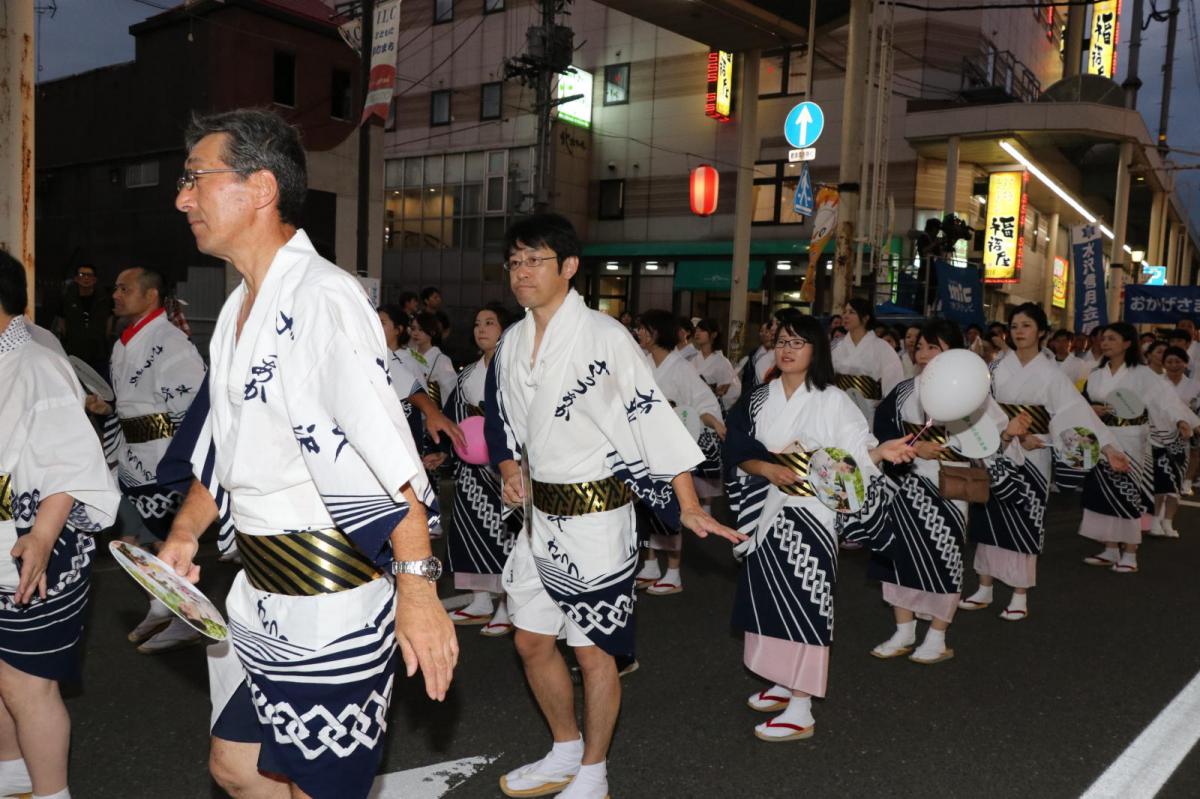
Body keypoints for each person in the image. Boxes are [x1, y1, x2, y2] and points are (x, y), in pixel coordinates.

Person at [160, 108, 456, 799]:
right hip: (261, 602)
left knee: (316, 788)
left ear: (260, 188)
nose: (182, 198)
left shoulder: (322, 298)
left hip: (330, 605)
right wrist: (182, 531)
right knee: (236, 764)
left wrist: (418, 587)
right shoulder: (239, 312)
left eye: (195, 179)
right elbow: (226, 453)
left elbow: (386, 454)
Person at [485, 213, 741, 799]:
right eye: (515, 261)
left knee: (593, 653)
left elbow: (649, 418)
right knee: (529, 639)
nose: (521, 272)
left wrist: (687, 504)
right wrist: (507, 470)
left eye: (534, 260)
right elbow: (500, 425)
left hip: (598, 520)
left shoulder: (604, 337)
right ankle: (564, 747)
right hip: (537, 521)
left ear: (569, 267)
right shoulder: (512, 342)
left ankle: (594, 772)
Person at [724, 309, 914, 740]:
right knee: (767, 601)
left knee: (807, 604)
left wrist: (882, 454)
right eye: (782, 342)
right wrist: (767, 470)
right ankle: (782, 677)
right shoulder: (759, 398)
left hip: (812, 513)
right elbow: (737, 449)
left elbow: (856, 449)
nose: (787, 350)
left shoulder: (833, 399)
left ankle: (802, 705)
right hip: (766, 510)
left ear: (816, 349)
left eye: (798, 342)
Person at [0, 250, 121, 799]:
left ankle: (50, 794)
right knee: (4, 683)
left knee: (28, 687)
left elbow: (70, 466)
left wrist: (44, 537)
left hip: (35, 545)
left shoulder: (37, 365)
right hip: (11, 541)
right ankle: (12, 777)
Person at [869, 319, 1024, 662]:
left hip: (949, 487)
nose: (923, 354)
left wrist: (1010, 434)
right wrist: (912, 447)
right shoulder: (904, 390)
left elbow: (993, 438)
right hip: (904, 483)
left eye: (933, 347)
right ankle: (903, 629)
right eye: (919, 347)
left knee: (945, 558)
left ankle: (937, 635)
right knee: (898, 558)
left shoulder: (971, 390)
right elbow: (882, 433)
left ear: (952, 351)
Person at [961, 304, 1127, 620]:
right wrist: (1008, 432)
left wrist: (1107, 447)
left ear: (1041, 332)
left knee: (1026, 520)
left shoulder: (1052, 374)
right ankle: (984, 585)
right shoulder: (994, 368)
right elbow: (979, 409)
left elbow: (1074, 413)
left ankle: (1019, 592)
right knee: (987, 517)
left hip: (1034, 453)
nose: (1019, 331)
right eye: (1014, 326)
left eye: (1026, 325)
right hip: (997, 449)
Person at [83, 266, 208, 654]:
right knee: (129, 538)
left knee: (161, 540)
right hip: (130, 456)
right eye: (115, 287)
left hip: (161, 459)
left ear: (150, 295)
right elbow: (135, 403)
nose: (116, 294)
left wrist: (142, 427)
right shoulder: (125, 341)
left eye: (125, 288)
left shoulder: (171, 342)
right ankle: (163, 605)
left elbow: (193, 404)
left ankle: (185, 615)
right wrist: (110, 407)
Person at [1079, 323, 1196, 574]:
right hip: (1102, 437)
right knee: (1103, 494)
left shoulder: (1142, 374)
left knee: (1129, 494)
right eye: (1103, 339)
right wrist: (1092, 409)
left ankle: (1130, 552)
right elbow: (1084, 401)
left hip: (1132, 438)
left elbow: (1165, 400)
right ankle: (1110, 548)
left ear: (1127, 343)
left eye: (1112, 338)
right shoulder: (1097, 373)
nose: (1105, 343)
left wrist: (1181, 420)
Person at [632, 309, 726, 596]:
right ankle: (649, 565)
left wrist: (714, 422)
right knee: (645, 509)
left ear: (655, 332)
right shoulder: (641, 363)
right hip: (644, 446)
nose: (639, 334)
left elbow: (703, 401)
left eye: (643, 329)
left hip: (670, 447)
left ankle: (673, 572)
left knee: (671, 509)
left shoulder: (682, 368)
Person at [443, 304, 522, 634]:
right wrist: (442, 451)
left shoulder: (517, 370)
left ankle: (506, 604)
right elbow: (452, 417)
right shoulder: (466, 375)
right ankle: (479, 599)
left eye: (490, 323)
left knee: (506, 535)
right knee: (468, 530)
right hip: (472, 469)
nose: (482, 329)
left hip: (506, 465)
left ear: (505, 329)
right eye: (477, 323)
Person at [1147, 346, 1200, 537]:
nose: (1174, 365)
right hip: (1157, 438)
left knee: (1175, 483)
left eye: (1178, 361)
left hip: (1182, 438)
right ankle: (1155, 521)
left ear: (1185, 363)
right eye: (1169, 361)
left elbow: (1192, 411)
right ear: (1164, 364)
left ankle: (1168, 522)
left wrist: (1193, 426)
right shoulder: (1156, 384)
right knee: (1160, 483)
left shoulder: (1194, 385)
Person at [830, 297, 903, 424]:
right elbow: (826, 377)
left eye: (851, 312)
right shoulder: (836, 346)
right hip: (839, 406)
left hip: (869, 409)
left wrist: (884, 410)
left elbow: (893, 383)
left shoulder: (882, 347)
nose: (845, 316)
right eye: (845, 312)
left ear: (865, 317)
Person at [52, 263, 112, 375]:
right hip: (74, 352)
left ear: (95, 279)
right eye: (82, 274)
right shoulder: (67, 299)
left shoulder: (104, 299)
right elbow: (61, 321)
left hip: (98, 353)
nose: (85, 278)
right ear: (76, 279)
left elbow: (110, 320)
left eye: (89, 275)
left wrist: (104, 337)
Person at [409, 312, 457, 409]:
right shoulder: (407, 354)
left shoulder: (442, 360)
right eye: (413, 329)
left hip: (430, 411)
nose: (415, 333)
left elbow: (450, 391)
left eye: (421, 329)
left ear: (432, 332)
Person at [692, 317, 740, 414]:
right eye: (696, 330)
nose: (697, 333)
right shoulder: (694, 359)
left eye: (702, 330)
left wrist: (719, 392)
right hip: (693, 408)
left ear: (713, 334)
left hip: (712, 410)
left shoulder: (722, 362)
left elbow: (734, 391)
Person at [737, 318, 777, 397]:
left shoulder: (778, 354)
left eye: (767, 331)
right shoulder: (753, 354)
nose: (765, 334)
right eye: (762, 331)